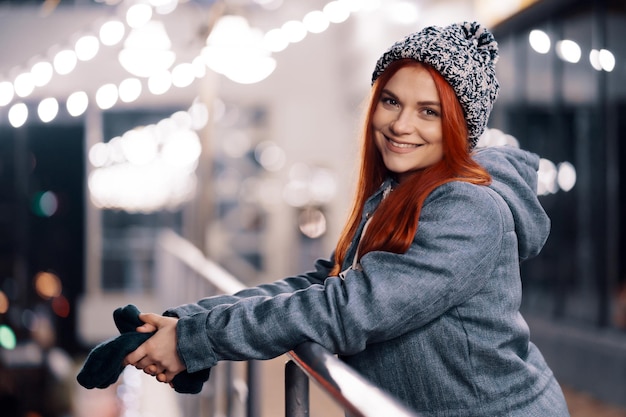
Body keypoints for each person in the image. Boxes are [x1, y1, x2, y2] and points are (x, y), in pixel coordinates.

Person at [123, 21, 571, 416]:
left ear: (459, 127)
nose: (400, 125)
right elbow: (327, 281)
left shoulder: (467, 209)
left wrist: (197, 342)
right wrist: (190, 322)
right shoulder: (400, 191)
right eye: (391, 101)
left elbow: (349, 310)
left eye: (429, 112)